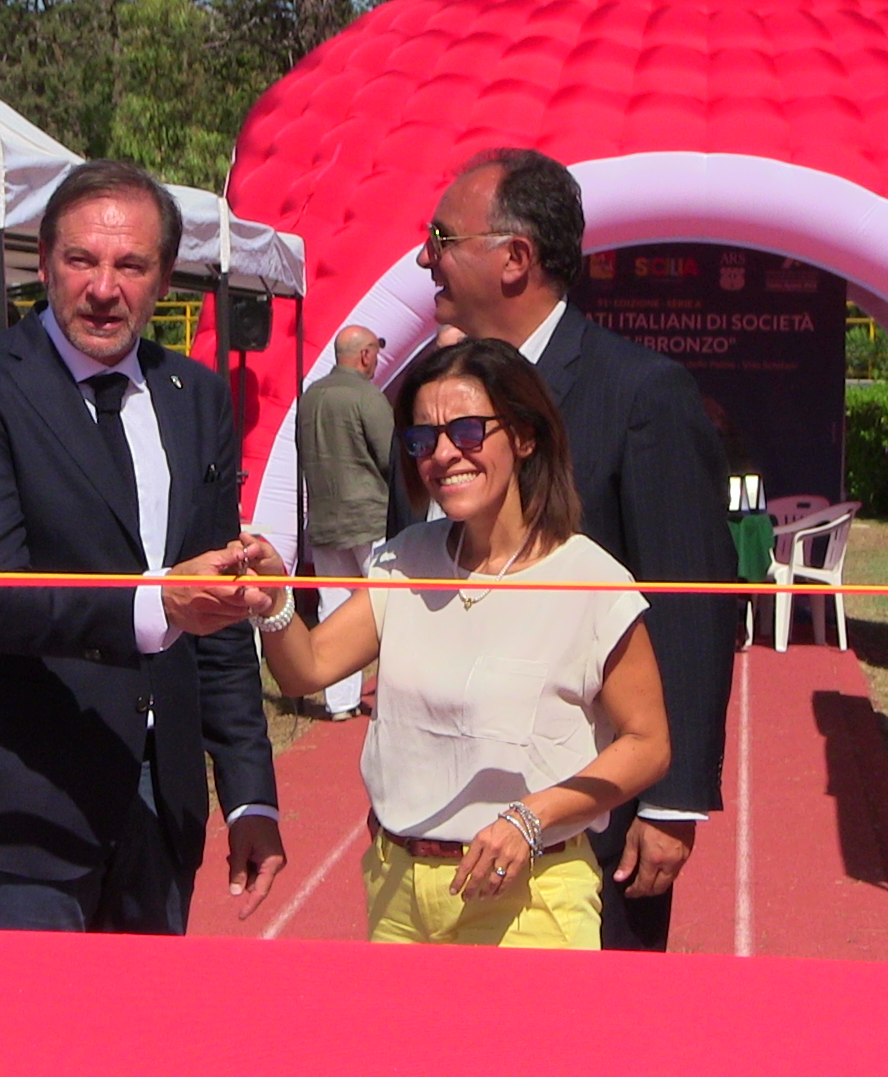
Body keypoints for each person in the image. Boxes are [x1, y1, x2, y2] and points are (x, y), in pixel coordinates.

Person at [0, 160, 287, 933]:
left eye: (130, 266)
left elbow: (219, 609)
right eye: (82, 260)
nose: (103, 288)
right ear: (45, 262)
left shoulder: (197, 398)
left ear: (164, 279)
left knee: (141, 1016)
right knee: (31, 1015)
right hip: (22, 799)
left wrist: (250, 793)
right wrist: (159, 603)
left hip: (160, 802)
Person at [395, 147, 735, 951]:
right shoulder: (427, 394)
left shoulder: (641, 393)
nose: (423, 258)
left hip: (589, 821)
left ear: (515, 258)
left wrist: (672, 801)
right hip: (442, 827)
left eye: (441, 238)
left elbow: (691, 602)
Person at [248, 338, 670, 947]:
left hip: (530, 894)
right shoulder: (406, 559)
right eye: (423, 440)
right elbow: (307, 669)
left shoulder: (593, 580)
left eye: (467, 431)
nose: (444, 455)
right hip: (398, 889)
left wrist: (532, 817)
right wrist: (274, 602)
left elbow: (649, 744)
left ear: (524, 436)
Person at [297, 324, 395, 720]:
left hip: (324, 517)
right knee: (388, 608)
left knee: (334, 609)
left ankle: (339, 701)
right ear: (366, 355)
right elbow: (390, 457)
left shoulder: (310, 396)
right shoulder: (368, 396)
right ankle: (395, 696)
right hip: (369, 517)